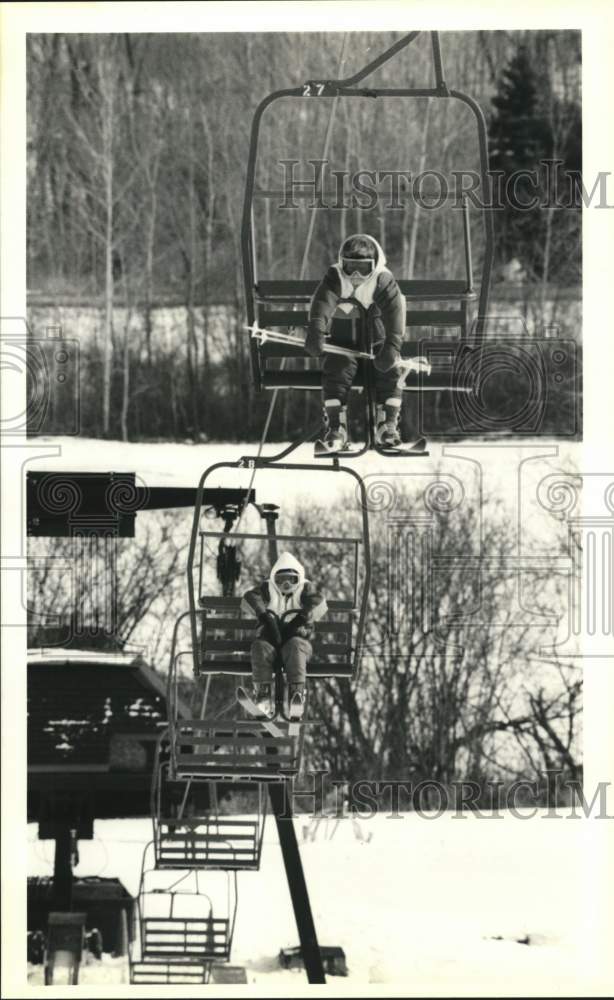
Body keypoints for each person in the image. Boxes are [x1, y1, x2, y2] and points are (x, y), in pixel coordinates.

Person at [306, 232, 409, 452]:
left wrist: (392, 346)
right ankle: (336, 428)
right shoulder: (336, 276)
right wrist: (316, 329)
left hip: (377, 346)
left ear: (374, 265)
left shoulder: (382, 279)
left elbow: (394, 313)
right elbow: (323, 302)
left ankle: (387, 425)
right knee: (336, 368)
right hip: (345, 345)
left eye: (362, 268)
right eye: (349, 266)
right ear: (341, 263)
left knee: (392, 371)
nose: (354, 274)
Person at [241, 551, 327, 717]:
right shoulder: (267, 590)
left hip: (297, 644)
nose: (286, 584)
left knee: (295, 647)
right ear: (274, 579)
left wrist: (302, 618)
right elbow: (250, 597)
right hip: (271, 643)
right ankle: (263, 695)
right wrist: (264, 616)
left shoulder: (304, 590)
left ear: (299, 579)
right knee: (259, 647)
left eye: (291, 579)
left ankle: (297, 694)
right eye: (281, 580)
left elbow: (319, 602)